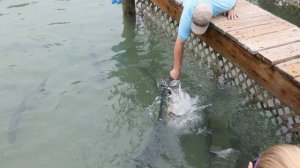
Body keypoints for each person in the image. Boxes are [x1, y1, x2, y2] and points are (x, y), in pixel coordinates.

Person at [170, 0, 238, 80]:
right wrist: (176, 70)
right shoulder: (189, 9)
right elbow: (180, 42)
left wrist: (232, 8)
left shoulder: (225, 4)